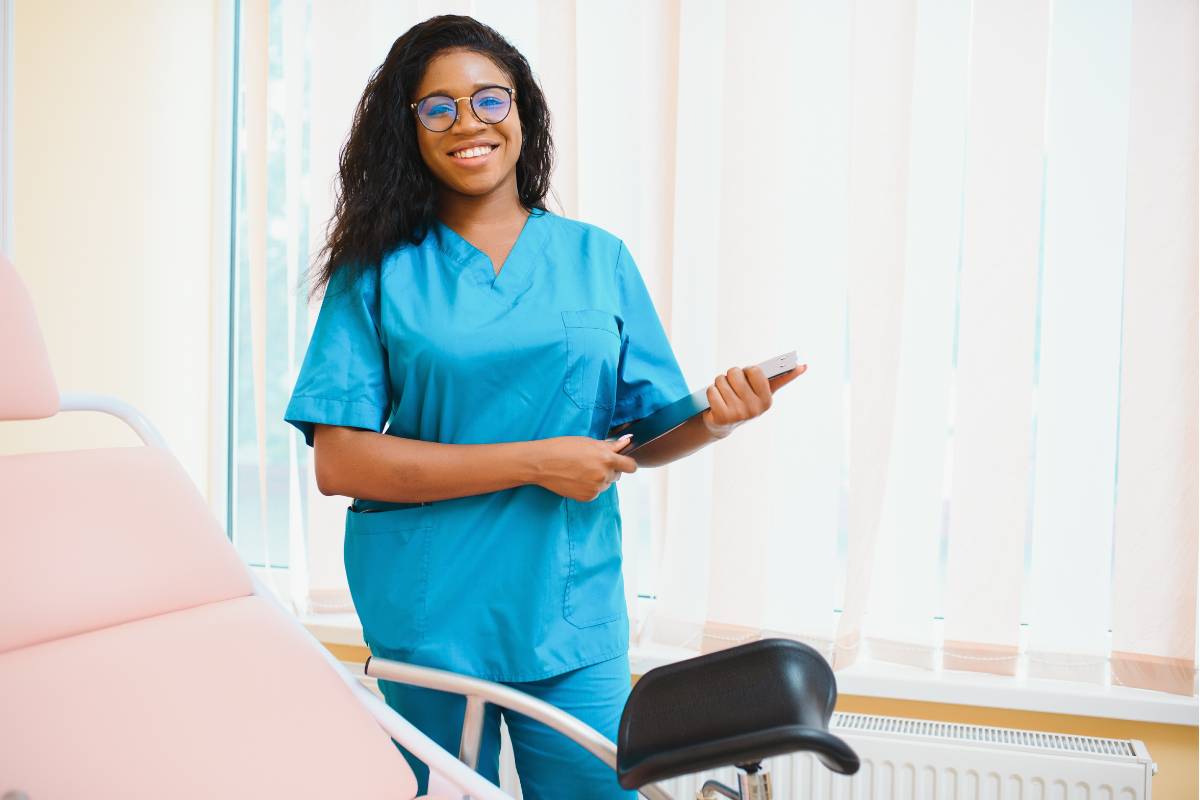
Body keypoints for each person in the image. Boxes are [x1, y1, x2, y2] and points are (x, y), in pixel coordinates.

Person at [283, 14, 804, 799]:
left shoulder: (598, 257)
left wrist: (715, 414)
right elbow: (342, 460)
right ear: (411, 131)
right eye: (439, 107)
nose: (469, 123)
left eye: (490, 100)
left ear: (523, 112)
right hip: (432, 609)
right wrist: (535, 462)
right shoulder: (378, 271)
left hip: (570, 607)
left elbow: (642, 434)